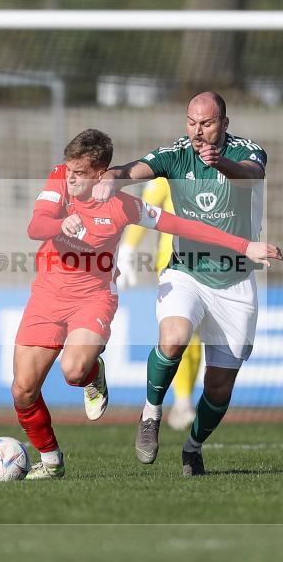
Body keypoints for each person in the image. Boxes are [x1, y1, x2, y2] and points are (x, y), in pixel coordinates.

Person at [13, 128, 281, 480]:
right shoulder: (59, 179)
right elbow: (35, 226)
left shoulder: (124, 206)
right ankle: (51, 460)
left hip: (92, 296)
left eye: (79, 172)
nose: (70, 177)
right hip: (47, 294)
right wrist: (60, 222)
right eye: (68, 169)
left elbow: (182, 225)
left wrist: (245, 246)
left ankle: (93, 375)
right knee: (23, 390)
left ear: (100, 174)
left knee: (74, 370)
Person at [93, 91, 273, 476]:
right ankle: (150, 413)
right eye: (191, 122)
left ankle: (193, 447)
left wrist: (221, 163)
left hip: (235, 281)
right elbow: (135, 168)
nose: (197, 131)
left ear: (224, 123)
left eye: (206, 123)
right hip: (186, 271)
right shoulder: (176, 154)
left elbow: (252, 176)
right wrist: (112, 179)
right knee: (173, 338)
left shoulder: (248, 151)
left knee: (220, 385)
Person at [117, 178, 202, 431]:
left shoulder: (216, 172)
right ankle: (182, 402)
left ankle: (184, 400)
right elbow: (144, 209)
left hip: (210, 264)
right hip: (173, 265)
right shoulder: (169, 172)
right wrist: (128, 250)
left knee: (197, 338)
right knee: (183, 332)